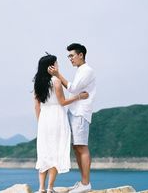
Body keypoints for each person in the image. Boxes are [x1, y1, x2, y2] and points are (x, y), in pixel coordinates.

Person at [33, 54, 89, 193]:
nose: (58, 65)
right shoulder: (56, 81)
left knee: (44, 152)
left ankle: (41, 188)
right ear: (51, 66)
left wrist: (40, 122)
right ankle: (50, 187)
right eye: (56, 63)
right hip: (57, 117)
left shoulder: (37, 83)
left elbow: (36, 106)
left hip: (44, 119)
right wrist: (79, 96)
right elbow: (62, 102)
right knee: (55, 151)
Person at [48, 43, 96, 193]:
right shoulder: (80, 70)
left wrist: (57, 74)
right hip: (74, 111)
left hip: (81, 112)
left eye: (72, 55)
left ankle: (86, 184)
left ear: (81, 55)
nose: (70, 59)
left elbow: (73, 88)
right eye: (68, 56)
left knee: (82, 147)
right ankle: (83, 182)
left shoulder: (87, 70)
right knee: (77, 147)